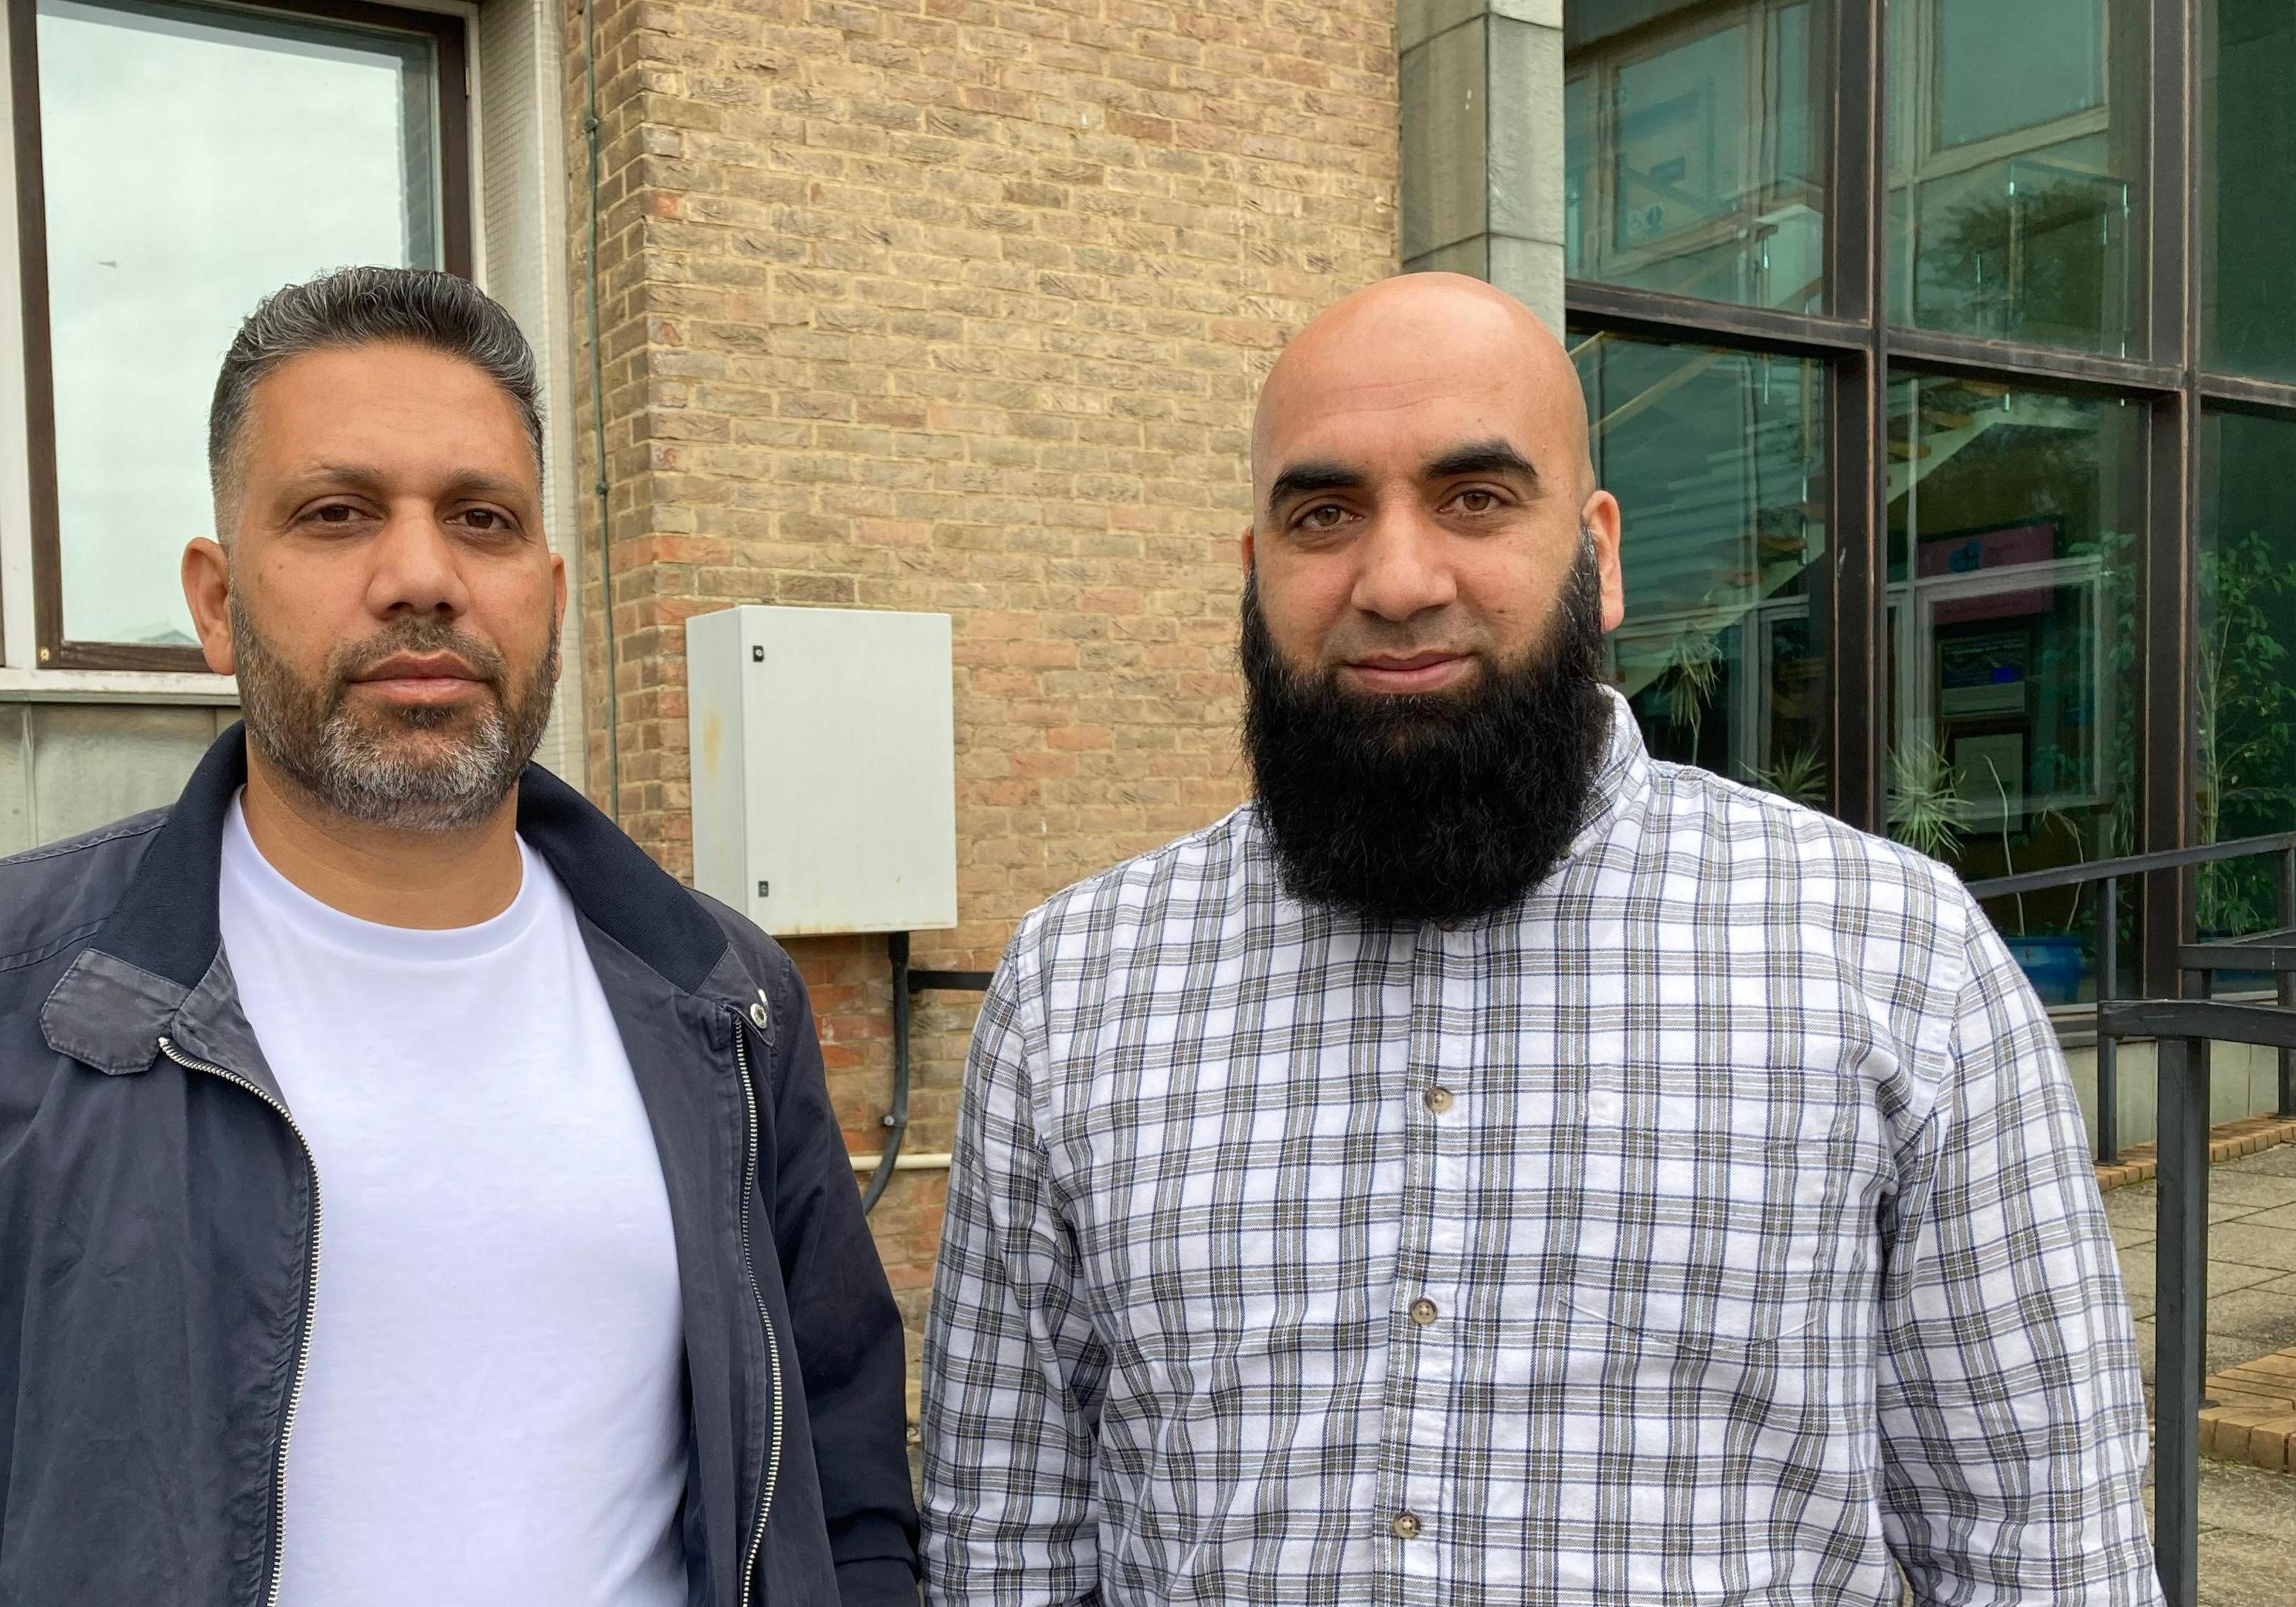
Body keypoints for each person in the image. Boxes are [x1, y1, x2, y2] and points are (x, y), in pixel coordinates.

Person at [0, 268, 921, 1607]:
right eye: (336, 516)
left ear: (548, 592)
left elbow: (844, 1499)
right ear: (216, 601)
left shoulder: (724, 1003)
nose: (421, 577)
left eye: (480, 519)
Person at [918, 273, 2155, 1603]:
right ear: (1254, 571)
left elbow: (2046, 1553)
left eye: (1477, 499)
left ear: (1602, 555)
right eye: (1324, 513)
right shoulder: (1076, 989)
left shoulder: (1891, 960)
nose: (1396, 579)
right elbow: (1007, 1545)